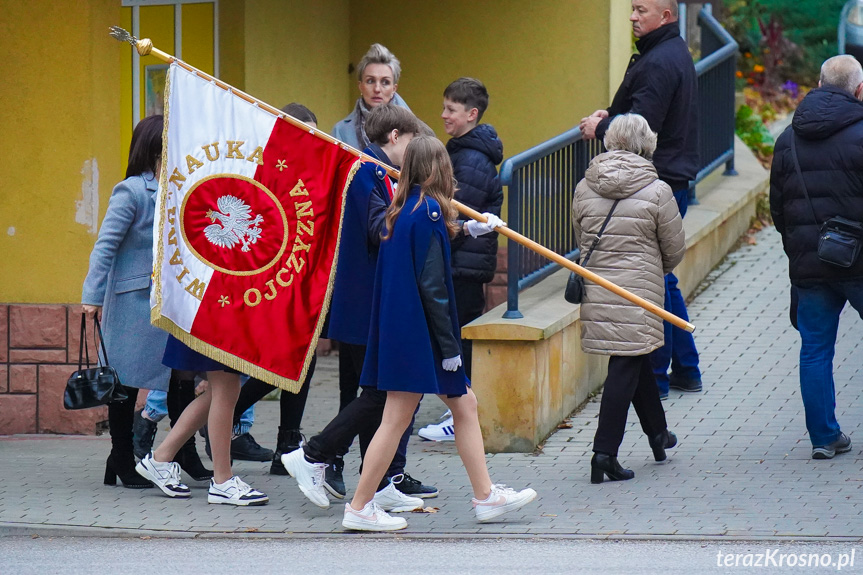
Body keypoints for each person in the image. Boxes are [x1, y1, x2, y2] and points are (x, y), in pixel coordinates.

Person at [336, 135, 536, 531]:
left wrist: (468, 230)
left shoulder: (402, 209)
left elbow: (428, 239)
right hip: (420, 336)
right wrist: (450, 347)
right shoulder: (426, 212)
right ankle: (360, 507)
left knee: (464, 405)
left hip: (403, 331)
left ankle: (485, 496)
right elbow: (434, 289)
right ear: (438, 169)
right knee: (397, 418)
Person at [282, 106, 446, 509]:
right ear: (394, 136)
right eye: (409, 143)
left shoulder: (372, 172)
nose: (410, 154)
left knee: (378, 395)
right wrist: (421, 208)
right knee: (375, 394)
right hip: (364, 303)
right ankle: (314, 455)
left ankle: (378, 480)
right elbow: (380, 229)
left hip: (371, 300)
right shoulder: (365, 173)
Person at [579, 0, 701, 400]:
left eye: (640, 10)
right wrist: (613, 114)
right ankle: (686, 367)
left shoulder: (659, 61)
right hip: (669, 176)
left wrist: (603, 127)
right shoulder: (669, 50)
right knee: (663, 277)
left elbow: (642, 128)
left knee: (655, 283)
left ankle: (659, 377)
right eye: (631, 9)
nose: (632, 16)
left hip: (656, 180)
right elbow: (638, 113)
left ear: (665, 16)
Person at [572, 114, 685, 484]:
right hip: (639, 291)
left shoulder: (584, 187)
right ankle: (604, 453)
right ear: (646, 144)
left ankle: (658, 433)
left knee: (634, 359)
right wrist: (651, 267)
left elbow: (581, 240)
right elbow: (674, 251)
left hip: (600, 287)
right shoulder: (657, 191)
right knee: (625, 365)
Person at [769, 55, 863, 460]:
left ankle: (824, 437)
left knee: (815, 348)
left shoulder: (788, 138)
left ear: (819, 84)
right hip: (859, 261)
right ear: (859, 90)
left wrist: (800, 246)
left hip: (809, 262)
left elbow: (778, 209)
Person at [82, 115, 176, 489]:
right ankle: (120, 457)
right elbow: (105, 246)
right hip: (131, 301)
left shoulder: (174, 187)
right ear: (155, 146)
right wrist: (91, 296)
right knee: (124, 385)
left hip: (162, 301)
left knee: (173, 380)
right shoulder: (132, 190)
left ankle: (173, 455)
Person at [419, 78, 504, 443]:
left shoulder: (468, 160)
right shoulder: (464, 152)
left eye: (451, 110)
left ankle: (460, 413)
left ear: (471, 114)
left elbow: (451, 216)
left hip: (461, 266)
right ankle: (458, 410)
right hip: (463, 264)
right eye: (444, 107)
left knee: (455, 342)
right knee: (453, 340)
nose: (443, 115)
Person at [332, 43, 411, 150]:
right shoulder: (341, 131)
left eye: (385, 82)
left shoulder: (412, 129)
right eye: (370, 81)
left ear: (394, 89)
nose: (377, 89)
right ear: (360, 86)